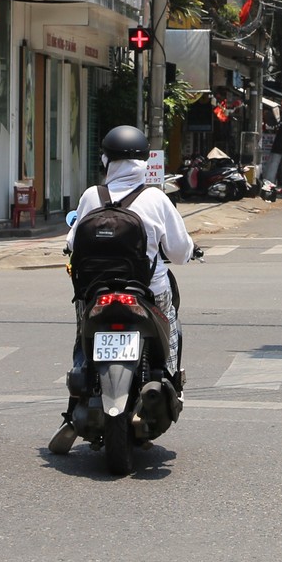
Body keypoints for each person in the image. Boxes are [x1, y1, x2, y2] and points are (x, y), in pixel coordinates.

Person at [50, 123, 194, 454]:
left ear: (106, 160)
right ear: (144, 161)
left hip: (96, 293)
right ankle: (170, 375)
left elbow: (72, 244)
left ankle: (73, 409)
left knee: (81, 337)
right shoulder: (155, 198)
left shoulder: (91, 196)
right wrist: (190, 250)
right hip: (148, 292)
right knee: (170, 318)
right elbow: (179, 252)